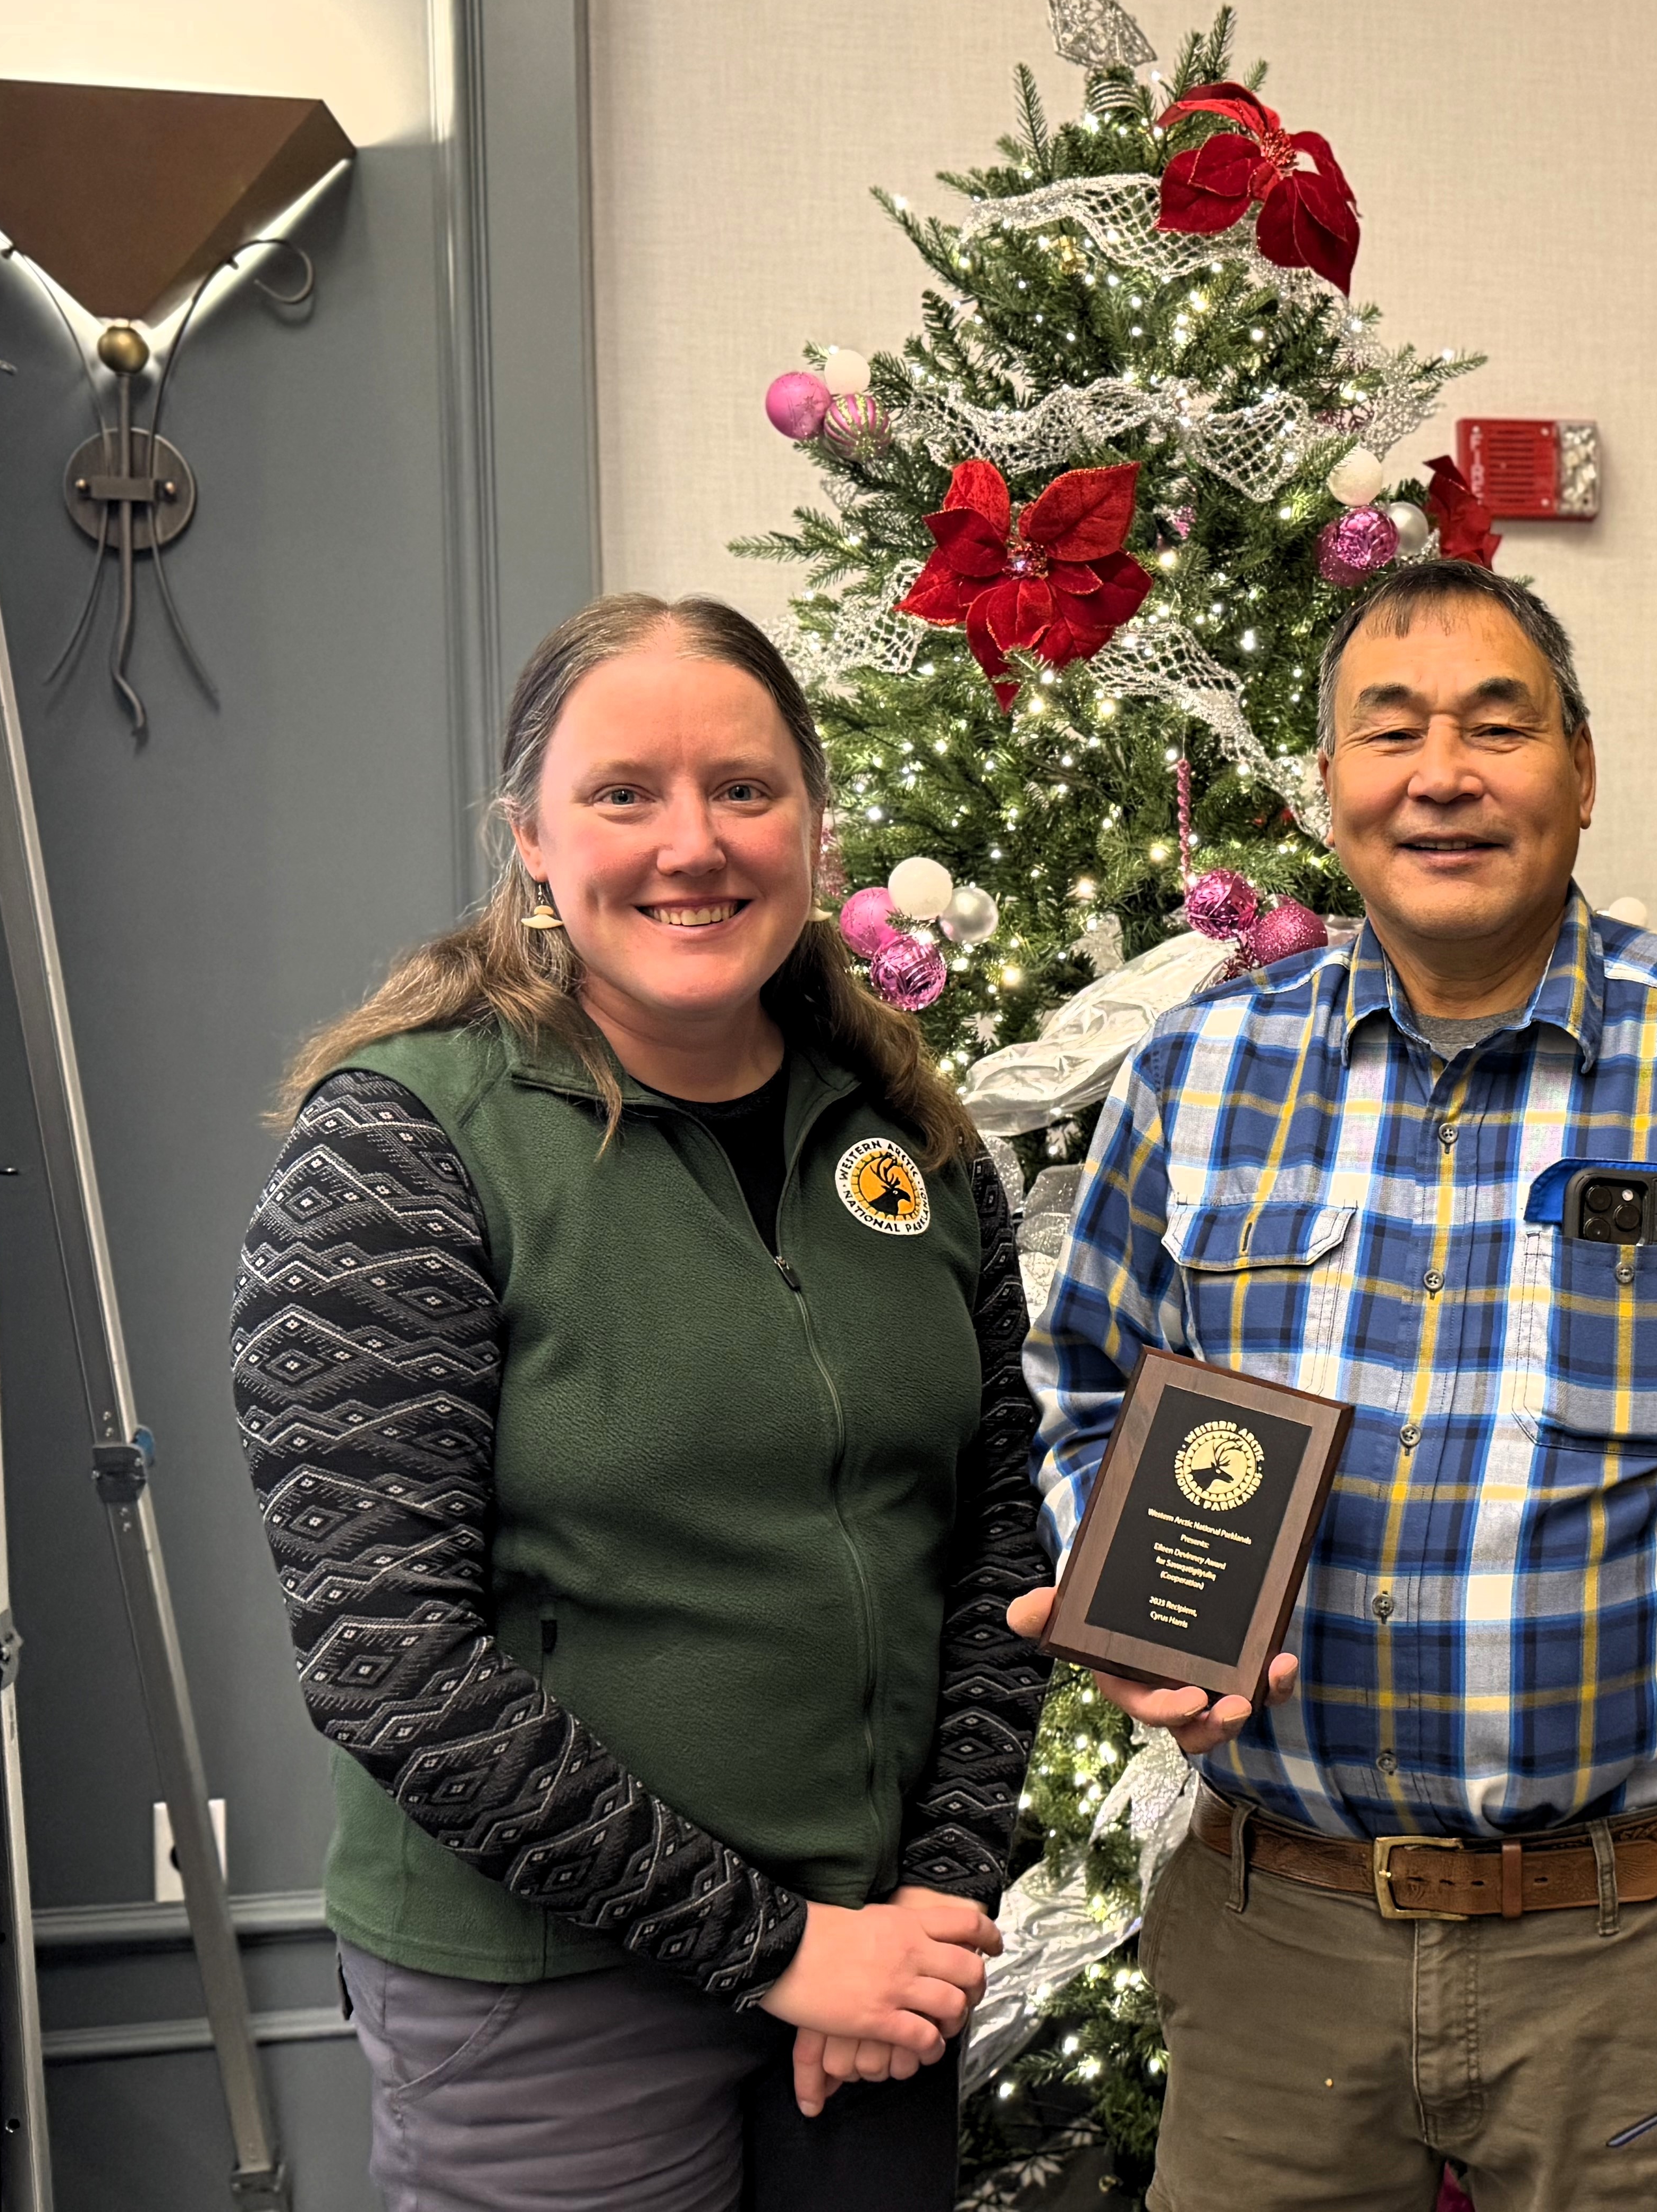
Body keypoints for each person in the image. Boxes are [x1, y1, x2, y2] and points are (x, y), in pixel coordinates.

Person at [1002, 557, 1657, 2210]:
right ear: (1330, 786)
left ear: (1582, 770)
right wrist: (1130, 1607)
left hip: (1639, 1959)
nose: (1444, 772)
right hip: (1280, 1941)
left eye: (1498, 725)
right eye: (1391, 730)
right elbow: (1082, 1384)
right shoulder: (1201, 1069)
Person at [232, 595, 1050, 2210]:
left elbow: (991, 1544)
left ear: (815, 833)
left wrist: (932, 1906)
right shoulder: (403, 1145)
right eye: (626, 794)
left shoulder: (912, 1143)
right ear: (532, 838)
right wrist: (776, 1947)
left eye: (746, 789)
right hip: (548, 2007)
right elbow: (389, 1661)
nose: (695, 843)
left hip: (875, 1979)